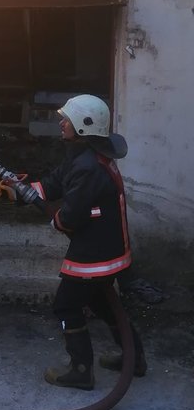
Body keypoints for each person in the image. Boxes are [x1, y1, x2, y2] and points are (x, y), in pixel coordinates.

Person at [9, 94, 147, 390]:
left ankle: (81, 370)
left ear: (83, 126)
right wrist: (20, 192)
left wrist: (56, 219)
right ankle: (134, 359)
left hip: (95, 254)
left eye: (66, 119)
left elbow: (70, 216)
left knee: (66, 306)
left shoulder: (87, 166)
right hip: (107, 249)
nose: (61, 123)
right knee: (102, 303)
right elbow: (55, 182)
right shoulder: (86, 155)